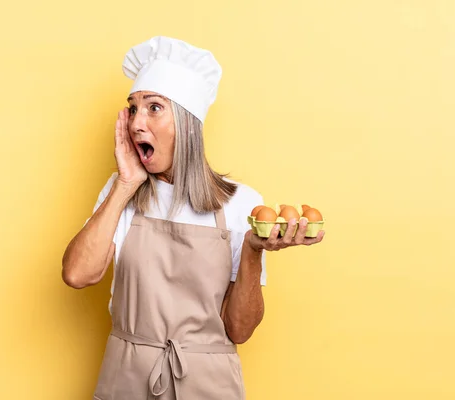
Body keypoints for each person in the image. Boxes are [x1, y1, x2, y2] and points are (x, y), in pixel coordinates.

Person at [62, 36, 325, 400]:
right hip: (127, 378)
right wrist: (124, 186)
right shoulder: (121, 191)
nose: (137, 122)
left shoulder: (241, 203)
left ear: (187, 123)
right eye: (133, 109)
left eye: (154, 108)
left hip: (209, 385)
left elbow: (240, 329)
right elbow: (78, 274)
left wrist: (252, 250)